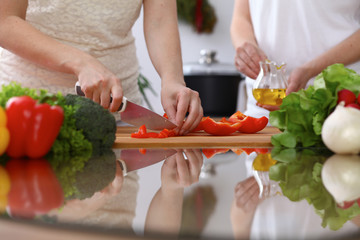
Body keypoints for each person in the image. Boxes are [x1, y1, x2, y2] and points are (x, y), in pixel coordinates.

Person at [0, 0, 203, 135]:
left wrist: (172, 79)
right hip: (27, 117)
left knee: (116, 198)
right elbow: (5, 21)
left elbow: (160, 22)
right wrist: (81, 62)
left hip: (118, 120)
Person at [230, 0, 360, 118]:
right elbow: (241, 17)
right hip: (263, 109)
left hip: (341, 107)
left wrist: (311, 69)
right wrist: (246, 47)